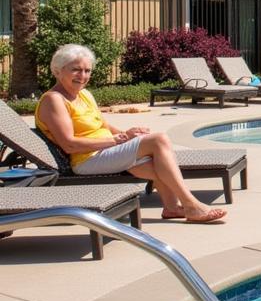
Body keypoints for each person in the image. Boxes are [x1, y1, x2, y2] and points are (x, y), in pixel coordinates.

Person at [35, 44, 226, 223]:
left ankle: (172, 208)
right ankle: (191, 205)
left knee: (157, 162)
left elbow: (103, 125)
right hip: (86, 160)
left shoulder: (83, 94)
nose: (82, 76)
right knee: (159, 140)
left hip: (105, 152)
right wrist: (116, 141)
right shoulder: (54, 100)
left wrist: (126, 134)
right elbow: (69, 144)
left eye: (87, 70)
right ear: (58, 70)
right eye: (75, 69)